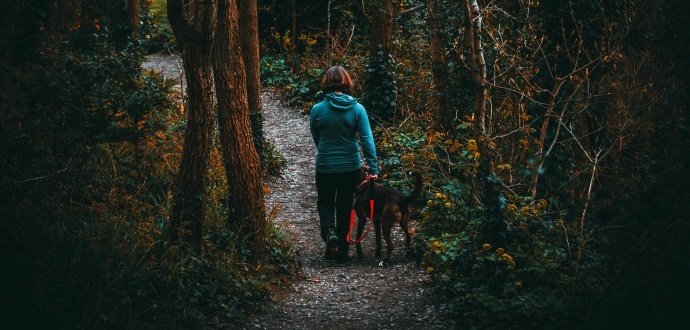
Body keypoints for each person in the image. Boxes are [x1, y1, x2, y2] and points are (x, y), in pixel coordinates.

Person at [309, 66, 379, 264]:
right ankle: (342, 253)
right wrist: (373, 168)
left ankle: (329, 233)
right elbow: (367, 140)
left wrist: (325, 152)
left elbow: (317, 137)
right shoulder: (358, 109)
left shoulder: (317, 109)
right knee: (345, 205)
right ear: (346, 82)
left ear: (326, 83)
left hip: (325, 166)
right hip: (351, 166)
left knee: (325, 202)